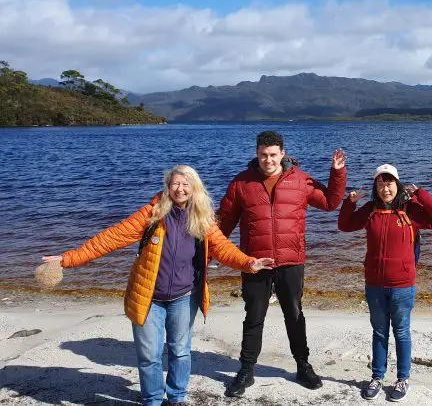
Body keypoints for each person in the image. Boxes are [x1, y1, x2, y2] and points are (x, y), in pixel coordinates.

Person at [41, 165, 274, 406]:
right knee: (149, 356)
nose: (180, 189)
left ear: (195, 188)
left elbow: (223, 249)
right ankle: (152, 400)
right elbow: (110, 238)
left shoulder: (202, 219)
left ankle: (176, 398)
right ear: (168, 186)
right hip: (148, 297)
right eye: (175, 184)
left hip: (185, 297)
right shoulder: (151, 215)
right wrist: (67, 259)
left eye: (186, 184)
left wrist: (249, 263)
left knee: (180, 351)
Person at [218, 130, 347, 396]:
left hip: (291, 261)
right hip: (255, 262)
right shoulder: (241, 183)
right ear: (256, 154)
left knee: (295, 315)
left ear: (282, 154)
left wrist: (337, 174)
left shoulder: (300, 180)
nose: (268, 160)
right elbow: (225, 223)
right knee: (254, 317)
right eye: (263, 155)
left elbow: (331, 203)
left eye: (273, 155)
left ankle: (303, 365)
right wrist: (207, 254)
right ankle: (246, 370)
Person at [337, 163, 432, 402]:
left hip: (402, 285)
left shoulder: (411, 210)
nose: (385, 187)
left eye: (389, 182)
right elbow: (344, 225)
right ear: (376, 186)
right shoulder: (369, 210)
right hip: (374, 284)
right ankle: (377, 377)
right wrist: (350, 202)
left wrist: (421, 194)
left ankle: (402, 379)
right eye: (380, 182)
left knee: (401, 332)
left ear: (397, 185)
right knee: (379, 332)